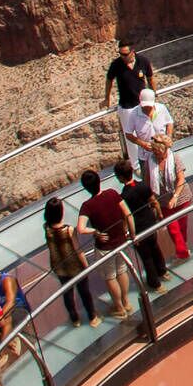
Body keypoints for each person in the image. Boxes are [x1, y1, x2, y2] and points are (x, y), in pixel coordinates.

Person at [83, 171, 136, 316]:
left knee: (110, 276)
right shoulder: (112, 193)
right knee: (122, 271)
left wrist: (94, 232)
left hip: (105, 248)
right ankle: (126, 302)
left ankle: (119, 308)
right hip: (121, 242)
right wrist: (132, 234)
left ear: (86, 188)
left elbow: (81, 228)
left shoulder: (87, 205)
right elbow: (128, 214)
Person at [45, 189, 95, 327]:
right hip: (75, 266)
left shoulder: (47, 229)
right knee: (84, 292)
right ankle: (92, 317)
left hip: (59, 267)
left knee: (67, 294)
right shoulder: (68, 230)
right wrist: (86, 265)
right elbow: (78, 249)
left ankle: (75, 319)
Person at [121, 86, 173, 192]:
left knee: (168, 175)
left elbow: (169, 122)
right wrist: (143, 144)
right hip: (145, 155)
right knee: (148, 182)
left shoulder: (161, 108)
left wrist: (168, 137)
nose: (146, 108)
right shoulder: (134, 114)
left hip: (163, 151)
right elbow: (128, 134)